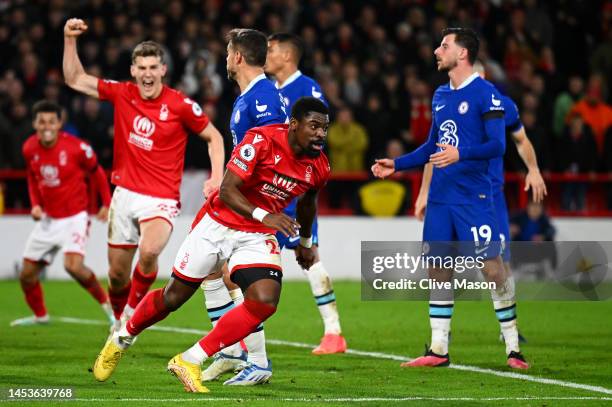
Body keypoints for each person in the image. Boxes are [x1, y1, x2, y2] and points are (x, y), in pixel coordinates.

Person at [93, 97, 330, 393]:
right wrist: (265, 214)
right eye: (314, 126)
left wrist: (306, 243)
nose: (321, 134)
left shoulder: (319, 166)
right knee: (173, 297)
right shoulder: (261, 140)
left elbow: (308, 202)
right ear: (294, 125)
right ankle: (121, 338)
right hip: (218, 223)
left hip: (256, 234)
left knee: (265, 299)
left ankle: (191, 359)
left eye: (325, 128)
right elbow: (228, 190)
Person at [372, 28, 529, 369]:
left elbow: (498, 146)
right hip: (442, 199)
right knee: (438, 270)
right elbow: (432, 146)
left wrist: (461, 154)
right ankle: (438, 349)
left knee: (493, 270)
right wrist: (397, 164)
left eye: (444, 45)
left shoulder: (487, 94)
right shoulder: (440, 95)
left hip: (475, 197)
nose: (436, 51)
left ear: (463, 54)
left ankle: (514, 348)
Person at [62, 19, 225, 330]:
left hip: (161, 198)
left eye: (153, 67)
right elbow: (74, 78)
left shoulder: (180, 105)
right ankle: (118, 316)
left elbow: (214, 138)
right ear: (133, 71)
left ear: (163, 70)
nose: (148, 74)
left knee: (149, 251)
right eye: (142, 68)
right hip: (124, 195)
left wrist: (216, 175)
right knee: (117, 275)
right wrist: (69, 39)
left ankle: (130, 317)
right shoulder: (122, 93)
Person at [413, 60, 546, 346]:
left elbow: (521, 140)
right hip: (450, 195)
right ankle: (440, 338)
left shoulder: (499, 103)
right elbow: (436, 149)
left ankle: (510, 330)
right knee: (439, 264)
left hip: (489, 197)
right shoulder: (446, 99)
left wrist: (533, 169)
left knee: (499, 264)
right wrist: (424, 191)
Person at [198, 28, 288, 384]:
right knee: (213, 271)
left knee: (240, 278)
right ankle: (232, 352)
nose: (225, 58)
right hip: (240, 199)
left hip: (251, 204)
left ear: (237, 58)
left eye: (228, 52)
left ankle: (257, 361)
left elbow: (276, 154)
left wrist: (252, 197)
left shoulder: (263, 98)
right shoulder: (250, 96)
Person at [265, 32, 347, 354]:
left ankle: (334, 332)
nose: (265, 54)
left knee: (309, 256)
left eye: (270, 50)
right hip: (267, 190)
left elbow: (315, 141)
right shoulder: (269, 90)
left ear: (286, 56)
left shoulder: (308, 90)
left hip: (292, 192)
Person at [11, 100, 112, 326]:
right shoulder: (29, 148)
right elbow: (32, 177)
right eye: (42, 122)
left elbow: (97, 173)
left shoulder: (77, 148)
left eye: (51, 122)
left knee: (73, 266)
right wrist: (35, 204)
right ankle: (41, 316)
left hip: (75, 217)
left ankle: (109, 307)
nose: (46, 126)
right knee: (26, 276)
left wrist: (106, 203)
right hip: (49, 220)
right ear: (35, 124)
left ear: (59, 124)